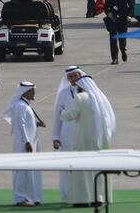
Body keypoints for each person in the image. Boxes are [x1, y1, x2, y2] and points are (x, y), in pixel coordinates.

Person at [60, 75, 116, 206]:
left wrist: (62, 113)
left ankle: (82, 199)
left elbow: (71, 115)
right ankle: (99, 198)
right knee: (98, 169)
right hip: (100, 139)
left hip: (83, 139)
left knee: (82, 169)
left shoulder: (80, 98)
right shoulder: (101, 98)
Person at [2, 82, 44, 207]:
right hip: (24, 144)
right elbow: (20, 125)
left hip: (29, 142)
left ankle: (31, 196)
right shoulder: (21, 106)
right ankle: (20, 198)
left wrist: (37, 124)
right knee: (22, 170)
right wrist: (26, 142)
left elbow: (26, 123)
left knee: (29, 170)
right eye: (32, 91)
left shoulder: (25, 105)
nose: (34, 93)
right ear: (25, 92)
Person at [51, 66, 86, 202]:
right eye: (70, 77)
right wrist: (55, 136)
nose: (73, 79)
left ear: (80, 75)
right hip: (67, 132)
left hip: (84, 130)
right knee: (68, 164)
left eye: (75, 76)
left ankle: (83, 194)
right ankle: (67, 194)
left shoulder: (88, 91)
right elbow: (57, 115)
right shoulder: (63, 93)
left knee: (83, 163)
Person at [104, 0, 132, 65]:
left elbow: (132, 6)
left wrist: (129, 15)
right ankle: (114, 58)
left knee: (122, 40)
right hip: (113, 21)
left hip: (123, 20)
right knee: (113, 41)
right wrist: (108, 13)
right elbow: (105, 8)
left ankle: (123, 51)